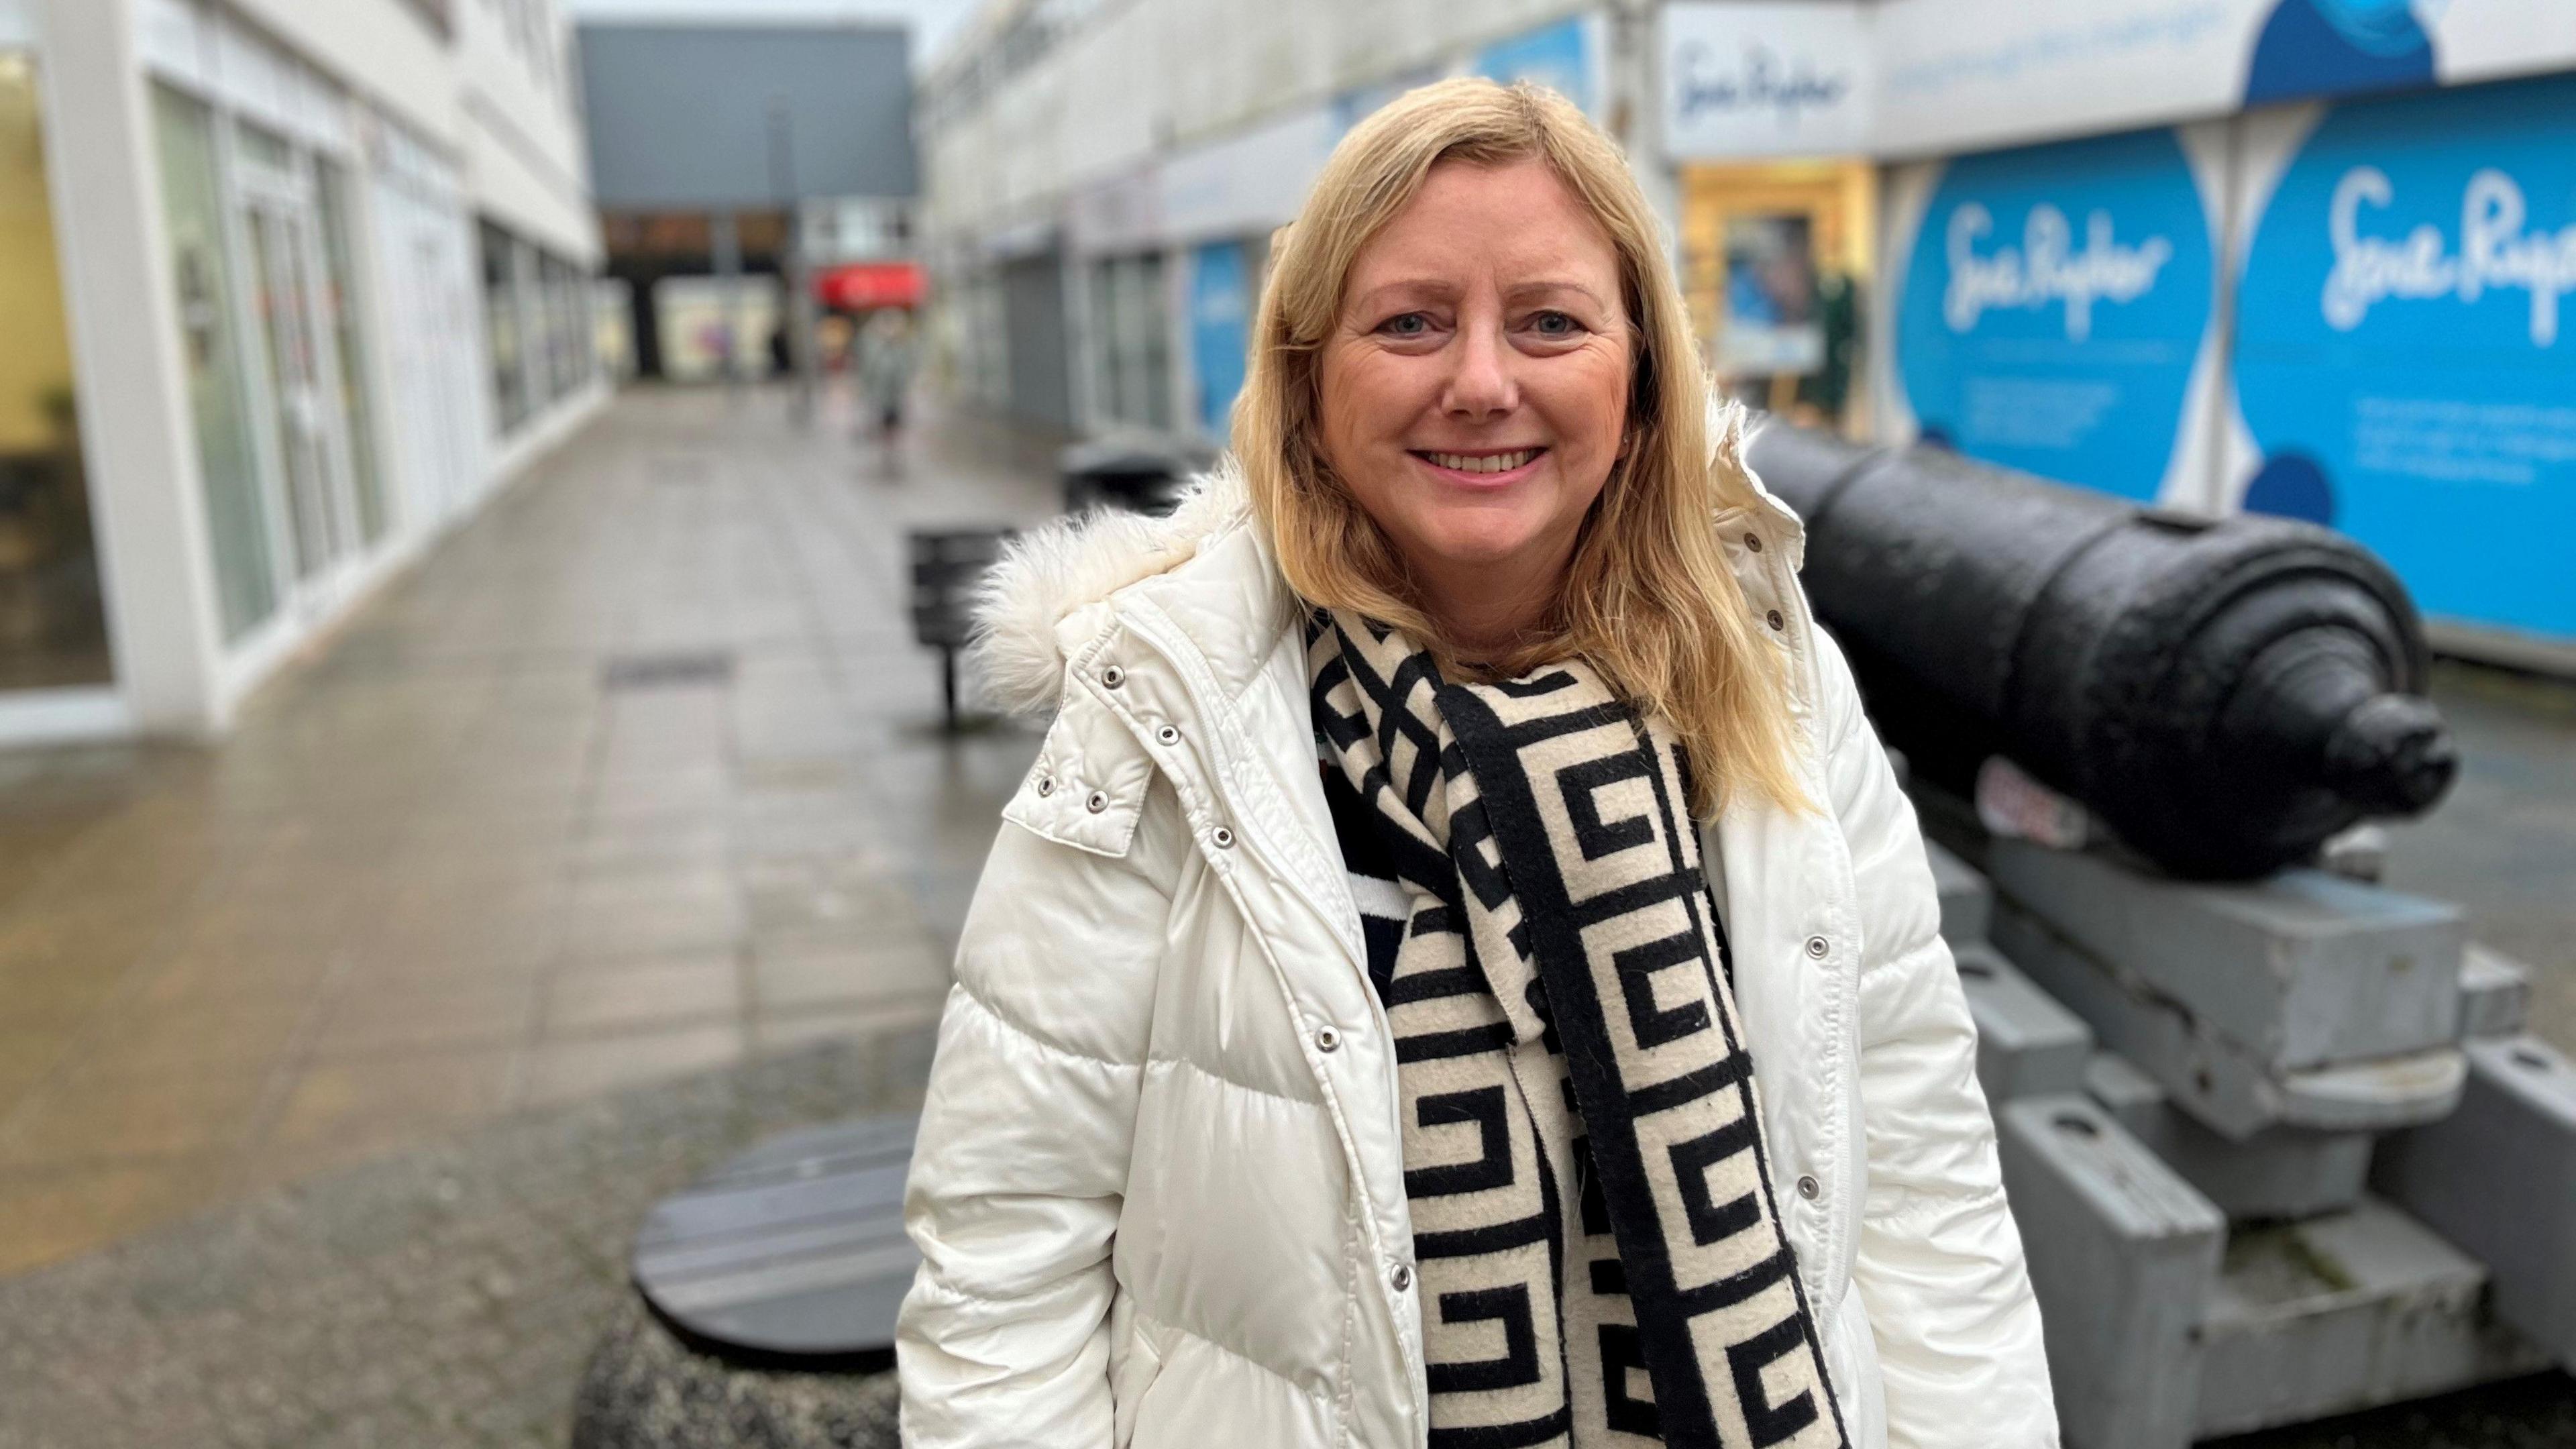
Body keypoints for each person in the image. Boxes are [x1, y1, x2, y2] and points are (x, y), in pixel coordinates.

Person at [899, 78, 2055, 1449]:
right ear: (1309, 379)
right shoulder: (1159, 723)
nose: (1484, 383)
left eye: (1552, 321)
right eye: (1411, 323)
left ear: (1637, 380)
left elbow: (1923, 1180)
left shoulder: (1776, 686)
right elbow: (1001, 1263)